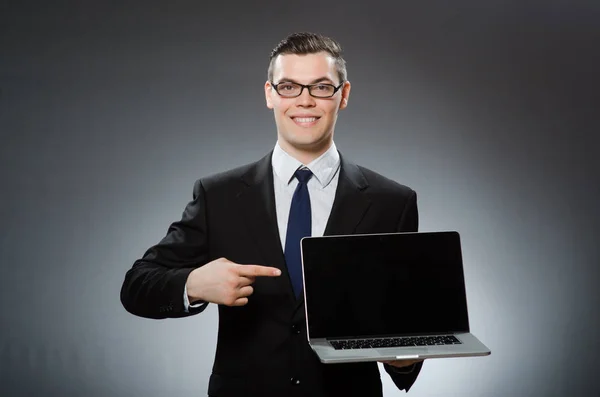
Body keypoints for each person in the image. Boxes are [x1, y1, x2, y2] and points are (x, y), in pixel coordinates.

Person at [120, 32, 424, 397]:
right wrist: (194, 284)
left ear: (343, 95)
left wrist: (404, 357)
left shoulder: (392, 202)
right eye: (289, 87)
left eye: (321, 87)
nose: (305, 101)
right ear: (270, 94)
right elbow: (137, 286)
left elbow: (406, 334)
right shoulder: (218, 196)